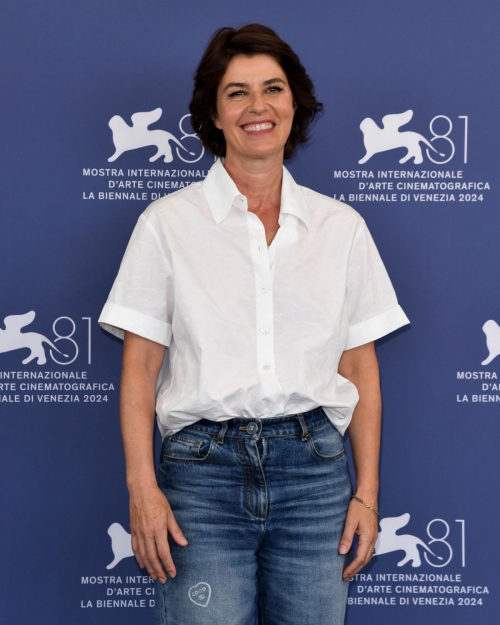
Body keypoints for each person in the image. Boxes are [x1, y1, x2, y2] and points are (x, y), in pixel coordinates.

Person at [98, 23, 410, 625]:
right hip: (199, 480)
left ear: (296, 104)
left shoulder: (340, 227)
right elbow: (140, 365)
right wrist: (142, 488)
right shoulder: (166, 225)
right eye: (237, 92)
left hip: (315, 474)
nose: (258, 106)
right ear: (213, 113)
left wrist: (366, 494)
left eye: (273, 88)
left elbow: (359, 366)